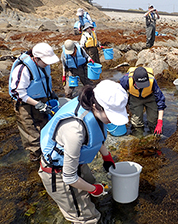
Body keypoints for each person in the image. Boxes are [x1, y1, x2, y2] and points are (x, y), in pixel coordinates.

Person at [38, 80, 128, 223]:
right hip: (58, 173)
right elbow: (70, 178)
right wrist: (94, 189)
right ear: (96, 106)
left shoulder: (94, 107)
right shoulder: (75, 129)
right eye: (110, 115)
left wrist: (106, 156)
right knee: (88, 218)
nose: (112, 120)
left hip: (76, 162)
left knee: (91, 193)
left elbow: (95, 135)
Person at [9, 43, 60, 161]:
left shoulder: (44, 65)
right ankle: (36, 157)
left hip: (41, 99)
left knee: (45, 126)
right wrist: (37, 104)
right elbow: (18, 93)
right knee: (30, 131)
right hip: (24, 104)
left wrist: (50, 93)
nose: (47, 64)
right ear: (36, 58)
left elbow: (44, 81)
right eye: (45, 61)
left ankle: (46, 150)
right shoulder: (23, 69)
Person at [119, 67, 166, 136]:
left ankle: (153, 132)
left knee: (153, 119)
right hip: (135, 98)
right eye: (140, 85)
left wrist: (160, 122)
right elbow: (119, 96)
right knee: (136, 121)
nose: (142, 87)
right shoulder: (126, 80)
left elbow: (160, 101)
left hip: (150, 97)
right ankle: (138, 135)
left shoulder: (152, 81)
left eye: (144, 84)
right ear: (134, 80)